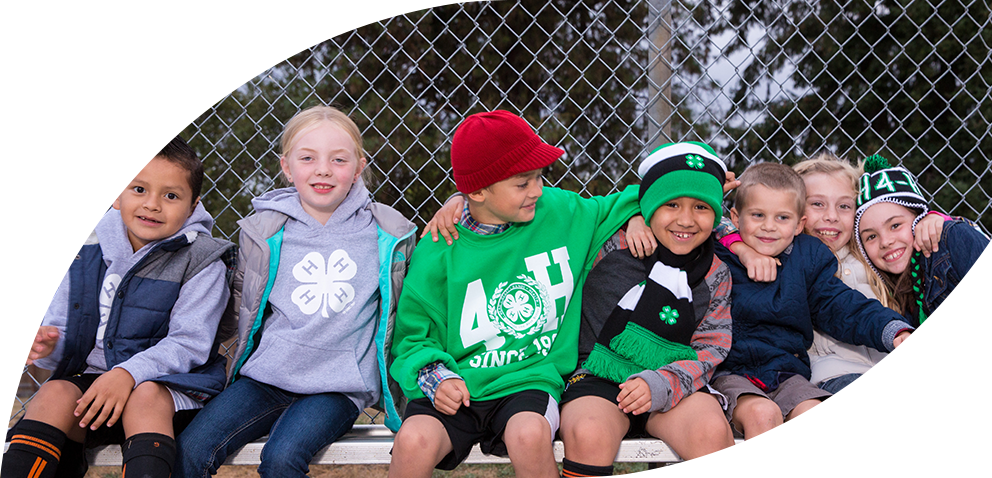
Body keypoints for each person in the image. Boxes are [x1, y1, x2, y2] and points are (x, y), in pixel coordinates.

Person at [388, 110, 641, 478]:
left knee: (529, 433)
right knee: (413, 441)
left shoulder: (559, 210)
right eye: (522, 183)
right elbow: (411, 337)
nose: (537, 190)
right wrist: (435, 377)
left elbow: (632, 198)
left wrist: (638, 214)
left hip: (529, 379)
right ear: (476, 191)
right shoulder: (440, 246)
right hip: (459, 382)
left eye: (539, 177)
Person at [175, 105, 417, 478]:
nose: (323, 169)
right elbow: (238, 304)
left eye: (338, 159)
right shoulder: (265, 231)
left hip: (338, 387)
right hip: (267, 378)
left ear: (358, 167)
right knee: (191, 448)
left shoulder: (386, 233)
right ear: (287, 167)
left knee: (282, 457)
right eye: (308, 158)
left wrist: (454, 202)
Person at [2, 123, 234, 478]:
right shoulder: (87, 251)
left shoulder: (202, 259)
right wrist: (49, 346)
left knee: (145, 397)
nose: (152, 205)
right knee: (54, 393)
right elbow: (63, 331)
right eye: (139, 189)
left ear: (192, 206)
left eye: (171, 196)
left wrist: (127, 374)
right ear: (116, 193)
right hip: (97, 389)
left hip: (169, 392)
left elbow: (190, 344)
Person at [723, 153, 976, 478]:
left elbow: (853, 302)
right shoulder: (784, 256)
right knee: (875, 419)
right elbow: (699, 223)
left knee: (931, 392)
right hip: (838, 374)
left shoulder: (873, 252)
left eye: (844, 206)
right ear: (802, 215)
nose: (831, 217)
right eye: (818, 204)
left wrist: (896, 330)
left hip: (894, 361)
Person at [854, 154, 992, 438]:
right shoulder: (907, 303)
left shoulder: (951, 239)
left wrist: (928, 345)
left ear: (919, 220)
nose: (885, 241)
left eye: (895, 225)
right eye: (870, 237)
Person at [559, 142, 744, 478]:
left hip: (673, 378)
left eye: (702, 207)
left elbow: (712, 347)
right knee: (588, 432)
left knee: (710, 429)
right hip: (598, 375)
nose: (686, 219)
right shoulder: (609, 244)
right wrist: (460, 201)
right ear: (649, 206)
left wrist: (664, 382)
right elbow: (554, 209)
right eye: (671, 204)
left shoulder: (715, 271)